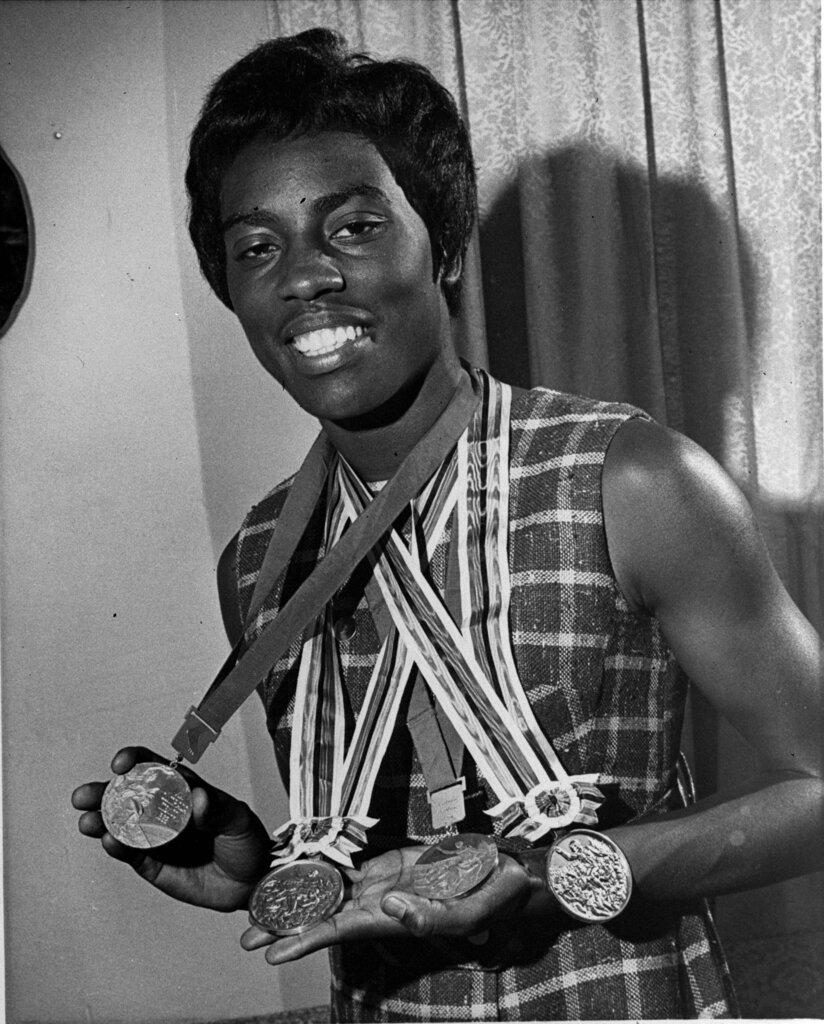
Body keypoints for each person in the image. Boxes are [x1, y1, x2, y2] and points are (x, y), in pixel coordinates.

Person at [72, 28, 823, 1021]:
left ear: (445, 246)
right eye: (257, 247)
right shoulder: (259, 560)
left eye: (351, 227)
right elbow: (383, 847)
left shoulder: (624, 477)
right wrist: (251, 861)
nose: (304, 276)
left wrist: (567, 867)